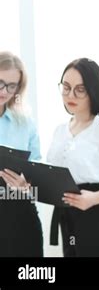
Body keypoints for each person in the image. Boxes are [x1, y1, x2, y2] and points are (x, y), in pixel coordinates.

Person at [47, 58, 99, 257]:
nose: (70, 95)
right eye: (66, 87)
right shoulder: (60, 131)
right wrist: (28, 182)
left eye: (79, 89)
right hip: (69, 218)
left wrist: (94, 198)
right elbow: (51, 172)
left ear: (93, 90)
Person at [0, 51, 43, 257]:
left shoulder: (24, 122)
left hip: (20, 208)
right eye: (0, 82)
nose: (4, 91)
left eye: (11, 86)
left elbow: (37, 163)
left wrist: (28, 180)